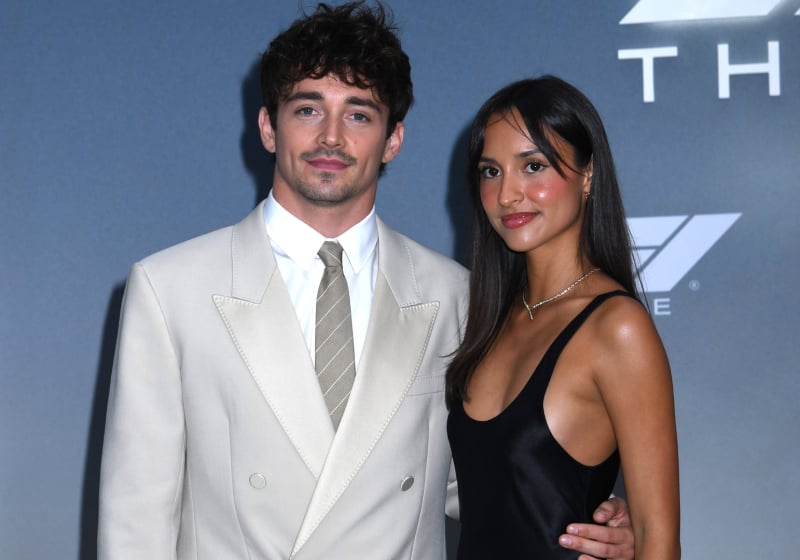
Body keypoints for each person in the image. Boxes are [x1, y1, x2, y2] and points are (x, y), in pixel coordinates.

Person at [98, 4, 635, 559]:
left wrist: (588, 516)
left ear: (394, 139)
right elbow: (135, 520)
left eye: (358, 115)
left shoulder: (455, 295)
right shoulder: (170, 290)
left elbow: (476, 480)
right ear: (267, 127)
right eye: (308, 109)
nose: (331, 137)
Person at [446, 75, 680, 559]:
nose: (508, 194)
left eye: (533, 166)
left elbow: (660, 542)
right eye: (491, 172)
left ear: (587, 173)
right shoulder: (487, 320)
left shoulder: (616, 328)